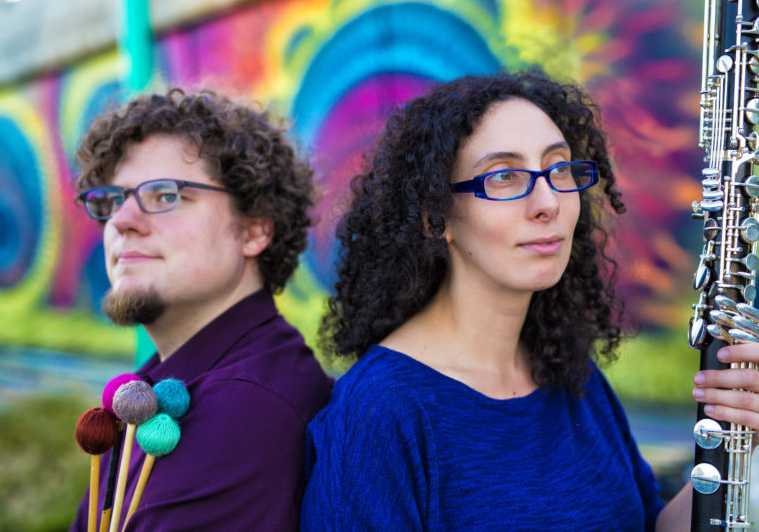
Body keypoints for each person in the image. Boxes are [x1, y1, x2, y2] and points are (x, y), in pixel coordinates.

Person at [300, 70, 759, 531]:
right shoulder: (379, 413)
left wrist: (743, 440)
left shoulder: (572, 377)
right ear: (436, 219)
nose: (549, 202)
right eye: (504, 176)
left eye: (559, 169)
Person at [70, 88, 332, 531]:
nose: (120, 221)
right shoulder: (171, 384)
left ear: (253, 230)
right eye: (113, 199)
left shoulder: (242, 415)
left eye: (166, 194)